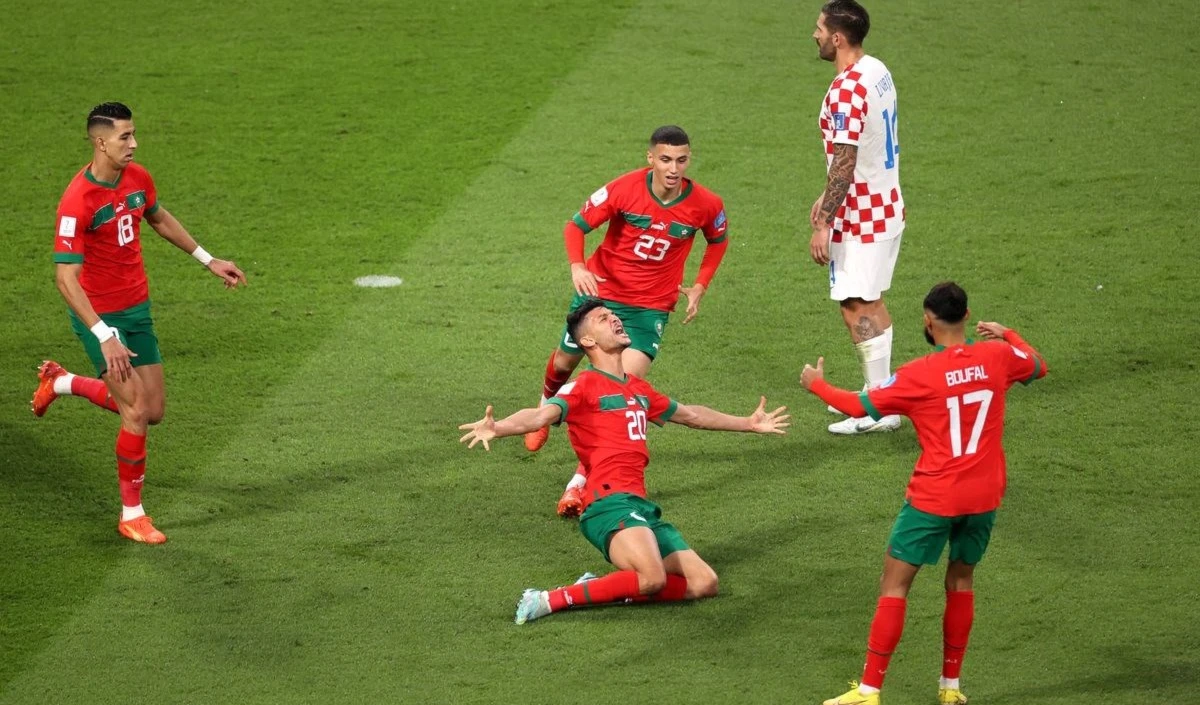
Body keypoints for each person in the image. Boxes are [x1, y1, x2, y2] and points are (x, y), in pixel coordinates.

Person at [459, 299, 787, 623]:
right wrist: (498, 427)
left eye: (614, 315)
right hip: (607, 503)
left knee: (704, 583)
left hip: (640, 505)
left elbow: (691, 415)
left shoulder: (638, 388)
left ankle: (600, 587)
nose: (615, 320)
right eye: (603, 319)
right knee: (652, 578)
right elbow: (540, 415)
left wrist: (748, 423)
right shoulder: (584, 386)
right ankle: (549, 599)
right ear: (587, 340)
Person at [799, 282, 1048, 705]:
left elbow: (859, 408)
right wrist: (1008, 334)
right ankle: (950, 689)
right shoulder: (998, 357)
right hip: (985, 495)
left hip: (935, 496)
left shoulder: (918, 375)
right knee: (962, 580)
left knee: (894, 587)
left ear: (928, 322)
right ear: (967, 316)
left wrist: (816, 385)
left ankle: (869, 691)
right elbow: (1038, 365)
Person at [32, 102, 246, 544]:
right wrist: (102, 334)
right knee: (134, 411)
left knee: (154, 411)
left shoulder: (137, 178)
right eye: (125, 137)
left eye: (133, 135)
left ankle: (62, 382)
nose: (134, 144)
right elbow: (65, 278)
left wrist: (208, 260)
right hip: (99, 316)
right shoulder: (77, 201)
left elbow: (158, 216)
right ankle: (132, 514)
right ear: (100, 141)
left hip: (137, 309)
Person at [522, 125, 732, 518]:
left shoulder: (706, 203)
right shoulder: (623, 189)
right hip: (600, 293)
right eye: (666, 159)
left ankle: (578, 485)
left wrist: (701, 284)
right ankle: (544, 405)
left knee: (621, 393)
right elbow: (576, 226)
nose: (674, 168)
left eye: (682, 160)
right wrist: (577, 267)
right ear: (650, 158)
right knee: (565, 364)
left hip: (649, 308)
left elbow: (718, 240)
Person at [808, 0, 906, 435]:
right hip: (886, 201)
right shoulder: (876, 69)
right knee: (871, 300)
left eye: (819, 28)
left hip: (861, 214)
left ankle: (879, 411)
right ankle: (880, 395)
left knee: (856, 306)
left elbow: (846, 161)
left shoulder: (847, 89)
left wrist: (824, 220)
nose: (814, 34)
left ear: (838, 38)